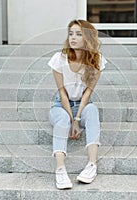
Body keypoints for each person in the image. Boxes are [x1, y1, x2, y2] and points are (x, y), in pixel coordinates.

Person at [48, 19, 107, 189]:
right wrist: (72, 120)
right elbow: (62, 92)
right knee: (62, 121)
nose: (73, 38)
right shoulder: (59, 58)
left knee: (93, 111)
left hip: (83, 103)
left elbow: (88, 92)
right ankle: (60, 169)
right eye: (71, 33)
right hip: (61, 104)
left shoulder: (97, 60)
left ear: (87, 38)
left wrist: (78, 117)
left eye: (79, 34)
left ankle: (92, 165)